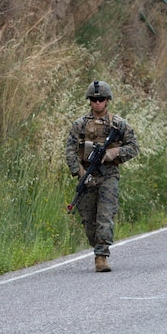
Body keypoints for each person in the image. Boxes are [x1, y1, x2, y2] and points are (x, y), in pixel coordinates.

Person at [64, 80, 139, 272]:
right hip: (87, 176)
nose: (98, 103)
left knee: (105, 215)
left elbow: (133, 147)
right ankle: (97, 246)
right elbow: (70, 150)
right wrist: (80, 172)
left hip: (108, 175)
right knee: (89, 221)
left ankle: (102, 256)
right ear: (89, 101)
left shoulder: (118, 124)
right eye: (94, 99)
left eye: (101, 99)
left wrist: (114, 153)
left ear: (108, 100)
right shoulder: (79, 125)